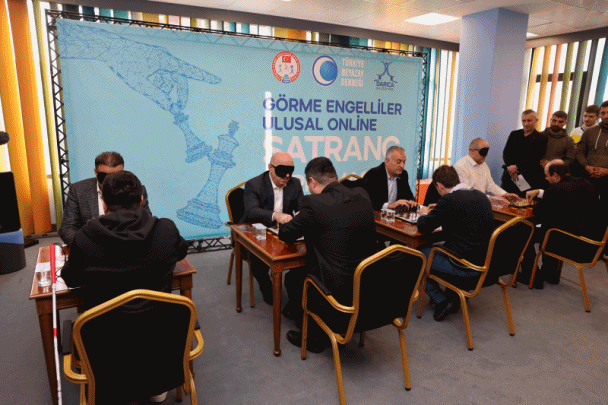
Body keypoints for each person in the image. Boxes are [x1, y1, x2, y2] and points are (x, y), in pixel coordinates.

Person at [61, 170, 187, 404]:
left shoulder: (84, 238)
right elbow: (180, 252)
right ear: (141, 199)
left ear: (104, 203)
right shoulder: (166, 229)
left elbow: (71, 279)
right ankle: (154, 383)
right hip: (159, 337)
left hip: (105, 343)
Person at [278, 157, 376, 353]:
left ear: (312, 181)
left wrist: (297, 219)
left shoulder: (313, 203)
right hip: (367, 284)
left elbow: (286, 234)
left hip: (335, 290)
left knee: (293, 278)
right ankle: (305, 316)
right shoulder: (362, 194)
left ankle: (315, 336)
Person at [417, 165, 495, 322]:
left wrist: (424, 213)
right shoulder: (481, 196)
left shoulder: (449, 200)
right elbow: (464, 216)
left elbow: (423, 226)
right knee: (447, 245)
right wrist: (440, 209)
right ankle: (454, 295)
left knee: (418, 255)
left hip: (462, 266)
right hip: (484, 264)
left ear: (439, 186)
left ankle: (441, 300)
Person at [519, 160, 601, 288]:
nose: (546, 179)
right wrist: (540, 192)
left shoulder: (556, 189)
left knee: (525, 230)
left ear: (556, 176)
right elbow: (568, 198)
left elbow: (538, 211)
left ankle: (531, 276)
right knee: (551, 226)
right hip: (592, 241)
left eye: (547, 176)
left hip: (573, 243)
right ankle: (550, 273)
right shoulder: (585, 183)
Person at [241, 151, 304, 304]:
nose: (287, 176)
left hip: (283, 231)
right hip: (258, 230)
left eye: (290, 171)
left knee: (304, 253)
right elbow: (251, 211)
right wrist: (275, 215)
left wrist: (301, 214)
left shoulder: (295, 184)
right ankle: (265, 284)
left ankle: (295, 290)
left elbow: (301, 208)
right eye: (282, 171)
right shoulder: (254, 184)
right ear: (270, 167)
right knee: (257, 258)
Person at [58, 151, 150, 246]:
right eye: (105, 177)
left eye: (116, 176)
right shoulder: (78, 190)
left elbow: (146, 224)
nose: (111, 182)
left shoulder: (136, 190)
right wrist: (90, 247)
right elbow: (67, 229)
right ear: (96, 172)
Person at [501, 110, 548, 197]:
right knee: (504, 200)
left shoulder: (541, 138)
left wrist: (517, 167)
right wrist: (512, 170)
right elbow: (506, 153)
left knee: (522, 201)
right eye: (524, 121)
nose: (526, 124)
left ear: (536, 120)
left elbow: (535, 158)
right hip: (509, 175)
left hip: (526, 176)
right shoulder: (514, 134)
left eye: (529, 121)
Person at [363, 145, 417, 211]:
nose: (402, 166)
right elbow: (368, 202)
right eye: (398, 162)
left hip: (396, 215)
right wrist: (391, 205)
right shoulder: (373, 174)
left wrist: (411, 201)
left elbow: (409, 195)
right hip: (376, 213)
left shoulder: (403, 174)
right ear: (387, 161)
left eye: (404, 162)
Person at [576, 101, 608, 211]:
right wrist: (586, 167)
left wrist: (607, 171)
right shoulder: (589, 132)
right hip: (589, 176)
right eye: (603, 113)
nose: (606, 116)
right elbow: (579, 152)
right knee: (586, 209)